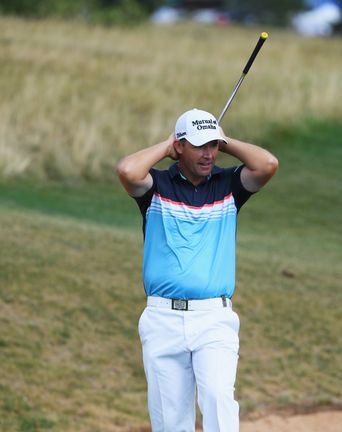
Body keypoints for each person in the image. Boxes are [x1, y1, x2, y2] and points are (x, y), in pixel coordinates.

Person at [116, 108, 278, 432]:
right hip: (163, 320)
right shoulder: (156, 188)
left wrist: (224, 140)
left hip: (213, 319)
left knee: (218, 399)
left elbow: (268, 164)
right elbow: (127, 170)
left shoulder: (229, 185)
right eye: (200, 145)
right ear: (180, 146)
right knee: (170, 421)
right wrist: (165, 147)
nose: (209, 154)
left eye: (213, 146)